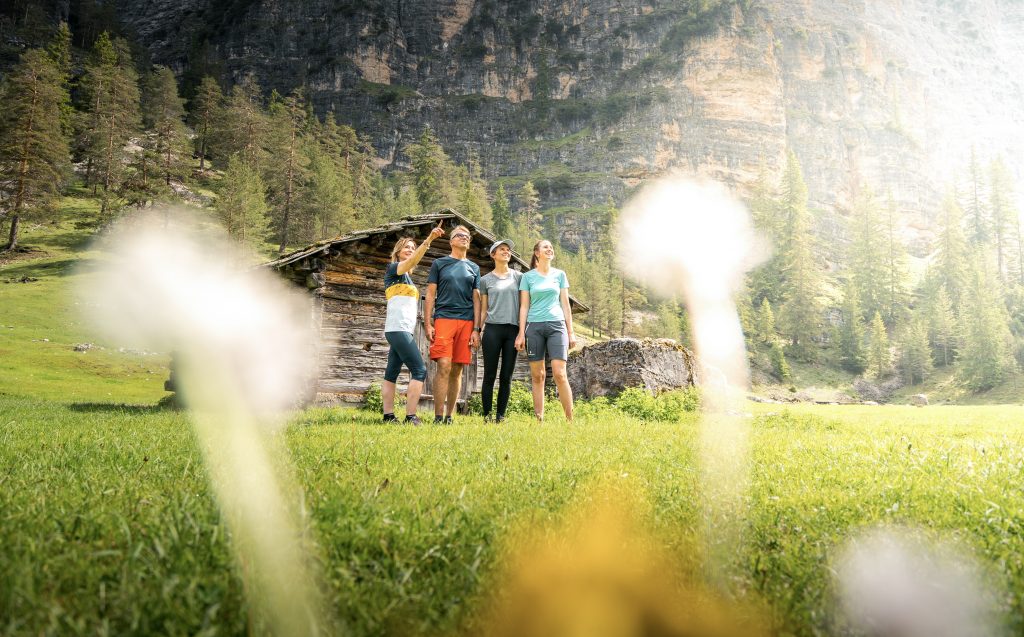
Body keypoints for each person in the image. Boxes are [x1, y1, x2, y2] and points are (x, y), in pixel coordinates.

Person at [381, 224, 445, 425]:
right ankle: (410, 416)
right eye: (406, 247)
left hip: (400, 329)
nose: (409, 249)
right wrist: (429, 240)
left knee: (391, 373)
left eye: (412, 247)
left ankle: (388, 416)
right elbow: (412, 261)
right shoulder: (395, 269)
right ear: (398, 251)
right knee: (419, 370)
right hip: (398, 328)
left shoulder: (407, 276)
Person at [424, 224, 481, 424]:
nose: (464, 238)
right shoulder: (439, 264)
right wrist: (427, 322)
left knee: (458, 368)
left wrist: (476, 329)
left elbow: (476, 299)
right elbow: (430, 294)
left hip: (466, 322)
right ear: (451, 241)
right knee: (444, 365)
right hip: (444, 318)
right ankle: (438, 416)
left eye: (467, 236)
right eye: (459, 235)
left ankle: (449, 416)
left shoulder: (474, 268)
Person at [515, 239, 576, 422]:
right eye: (545, 247)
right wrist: (521, 333)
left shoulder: (560, 275)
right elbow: (524, 307)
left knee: (559, 373)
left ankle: (570, 419)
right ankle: (539, 419)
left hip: (557, 325)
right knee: (538, 375)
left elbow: (566, 305)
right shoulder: (528, 277)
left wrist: (571, 331)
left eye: (551, 247)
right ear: (537, 253)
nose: (549, 249)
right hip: (534, 327)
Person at [477, 239, 522, 423]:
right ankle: (487, 415)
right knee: (489, 374)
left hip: (513, 330)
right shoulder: (485, 280)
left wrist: (523, 332)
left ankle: (500, 416)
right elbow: (483, 308)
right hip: (492, 331)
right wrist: (477, 330)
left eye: (508, 250)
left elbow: (524, 305)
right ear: (493, 254)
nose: (506, 252)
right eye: (502, 249)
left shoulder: (519, 277)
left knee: (506, 376)